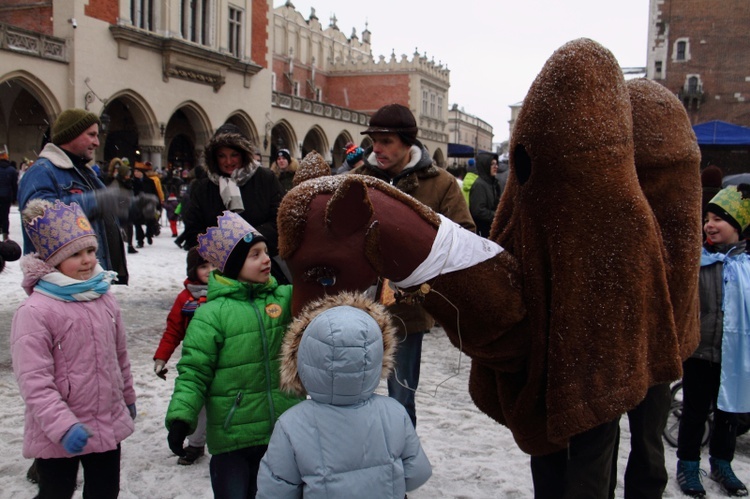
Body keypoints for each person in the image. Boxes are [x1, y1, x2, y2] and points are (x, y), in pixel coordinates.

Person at [165, 211, 304, 498]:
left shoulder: (285, 298)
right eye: (255, 254)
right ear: (232, 265)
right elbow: (193, 371)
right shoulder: (211, 315)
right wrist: (181, 417)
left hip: (283, 432)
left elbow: (320, 292)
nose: (266, 259)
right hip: (232, 438)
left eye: (266, 251)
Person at [353, 103, 475, 427]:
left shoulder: (442, 183)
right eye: (373, 141)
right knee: (351, 393)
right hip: (356, 307)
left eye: (386, 141)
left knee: (401, 397)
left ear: (408, 143)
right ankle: (358, 461)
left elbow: (464, 236)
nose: (376, 149)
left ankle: (400, 461)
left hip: (408, 307)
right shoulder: (358, 179)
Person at [11, 199, 136, 498]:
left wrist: (127, 396)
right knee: (56, 492)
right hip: (58, 428)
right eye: (75, 254)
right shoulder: (36, 311)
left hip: (105, 420)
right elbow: (34, 382)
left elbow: (119, 355)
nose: (87, 260)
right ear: (52, 261)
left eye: (91, 251)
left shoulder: (104, 297)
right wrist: (63, 426)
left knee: (105, 491)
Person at [256, 292, 432, 498]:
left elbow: (274, 492)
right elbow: (418, 474)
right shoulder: (394, 412)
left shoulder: (291, 424)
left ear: (302, 354)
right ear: (379, 353)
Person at [676, 184, 750, 498]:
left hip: (734, 357)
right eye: (707, 217)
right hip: (700, 352)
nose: (710, 224)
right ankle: (688, 466)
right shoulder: (698, 261)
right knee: (694, 412)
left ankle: (722, 462)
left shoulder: (746, 267)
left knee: (729, 414)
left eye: (719, 218)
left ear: (739, 225)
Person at [17, 108, 134, 284]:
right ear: (71, 134)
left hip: (87, 277)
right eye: (91, 135)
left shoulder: (85, 173)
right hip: (62, 283)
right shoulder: (42, 171)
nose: (96, 142)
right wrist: (99, 201)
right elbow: (39, 216)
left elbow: (102, 213)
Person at [180, 123, 288, 284]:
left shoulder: (265, 179)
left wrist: (249, 243)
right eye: (222, 156)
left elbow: (280, 220)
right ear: (214, 158)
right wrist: (223, 249)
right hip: (221, 270)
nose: (228, 161)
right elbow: (193, 229)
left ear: (243, 154)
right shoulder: (203, 187)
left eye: (234, 155)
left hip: (265, 267)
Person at [153, 247, 214, 465]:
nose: (210, 270)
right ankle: (196, 444)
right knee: (197, 405)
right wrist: (161, 358)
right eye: (203, 266)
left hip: (223, 359)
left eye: (214, 264)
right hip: (196, 360)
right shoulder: (186, 298)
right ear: (193, 269)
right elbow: (173, 330)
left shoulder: (227, 291)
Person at [469, 152, 501, 237]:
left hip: (491, 229)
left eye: (496, 164)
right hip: (483, 232)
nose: (496, 167)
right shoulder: (479, 185)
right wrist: (497, 215)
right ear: (485, 165)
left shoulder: (493, 183)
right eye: (492, 164)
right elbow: (478, 211)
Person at [0, 147, 18, 241]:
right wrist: (15, 197)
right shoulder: (12, 170)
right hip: (6, 196)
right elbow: (14, 185)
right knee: (5, 215)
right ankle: (5, 234)